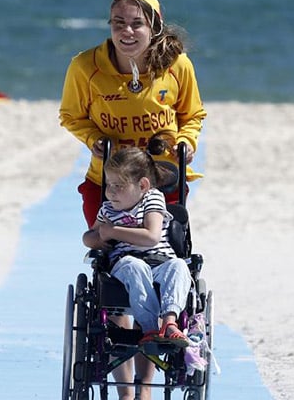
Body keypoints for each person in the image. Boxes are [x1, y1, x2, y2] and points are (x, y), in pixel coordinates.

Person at [60, 0, 207, 227]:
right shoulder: (85, 66)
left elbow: (192, 115)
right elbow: (71, 116)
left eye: (137, 24)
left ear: (154, 27)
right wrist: (93, 139)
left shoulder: (177, 64)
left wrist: (186, 142)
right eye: (119, 23)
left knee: (162, 243)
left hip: (163, 178)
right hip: (109, 181)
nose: (127, 31)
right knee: (103, 243)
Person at [82, 143, 193, 400]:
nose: (110, 191)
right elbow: (89, 237)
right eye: (109, 184)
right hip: (126, 263)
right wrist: (98, 237)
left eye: (118, 185)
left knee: (179, 266)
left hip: (161, 259)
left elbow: (152, 236)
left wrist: (113, 231)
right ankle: (149, 327)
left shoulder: (153, 198)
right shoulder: (108, 209)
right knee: (136, 266)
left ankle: (169, 321)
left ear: (143, 185)